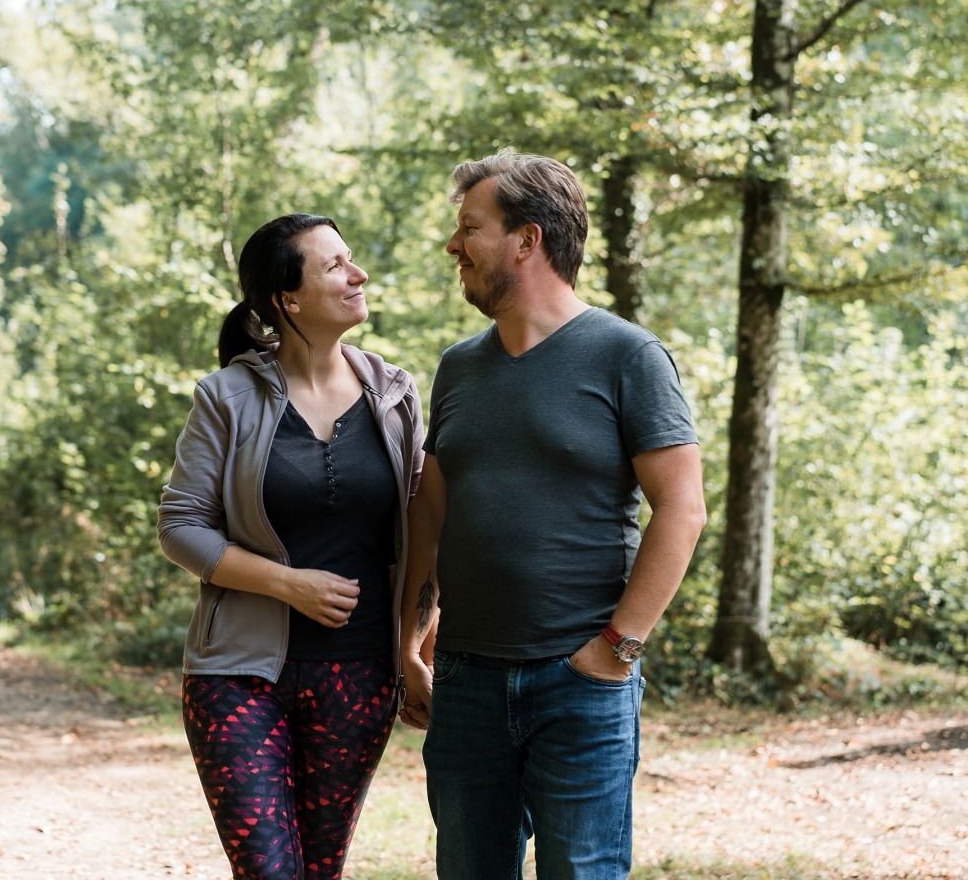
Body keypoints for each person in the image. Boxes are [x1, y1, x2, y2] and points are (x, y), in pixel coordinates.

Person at [397, 150, 708, 879]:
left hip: (581, 687)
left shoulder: (628, 356)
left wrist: (615, 652)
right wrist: (408, 643)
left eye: (469, 227)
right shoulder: (457, 367)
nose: (453, 245)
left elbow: (682, 509)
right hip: (467, 684)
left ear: (527, 240)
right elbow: (430, 513)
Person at [158, 213, 425, 880]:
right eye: (334, 265)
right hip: (238, 674)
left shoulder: (395, 395)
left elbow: (426, 533)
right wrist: (288, 583)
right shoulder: (227, 397)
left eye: (351, 259)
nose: (357, 274)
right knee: (269, 871)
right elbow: (181, 527)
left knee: (321, 868)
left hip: (360, 674)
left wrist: (414, 648)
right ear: (287, 299)